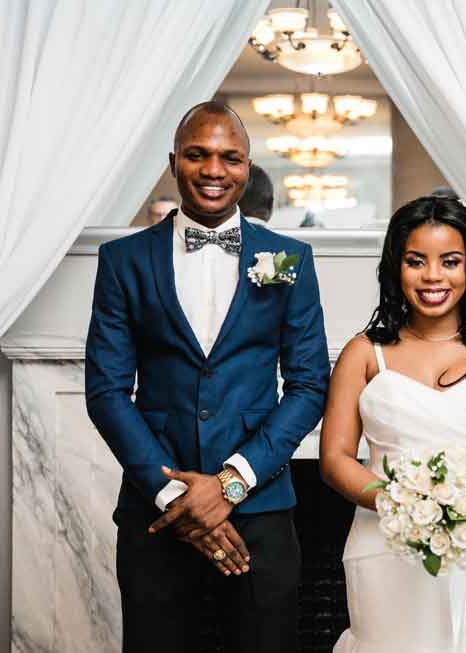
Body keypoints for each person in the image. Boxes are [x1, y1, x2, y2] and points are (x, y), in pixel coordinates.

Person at [85, 101, 330, 652]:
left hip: (261, 511)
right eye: (198, 155)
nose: (214, 170)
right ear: (174, 162)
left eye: (230, 157)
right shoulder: (123, 260)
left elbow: (310, 383)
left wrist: (230, 485)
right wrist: (177, 496)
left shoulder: (288, 257)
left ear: (247, 166)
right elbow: (105, 391)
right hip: (157, 514)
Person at [320, 196, 466, 652]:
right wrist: (398, 505)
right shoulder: (363, 354)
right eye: (416, 261)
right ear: (395, 268)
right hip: (385, 543)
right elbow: (335, 458)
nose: (433, 276)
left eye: (450, 261)